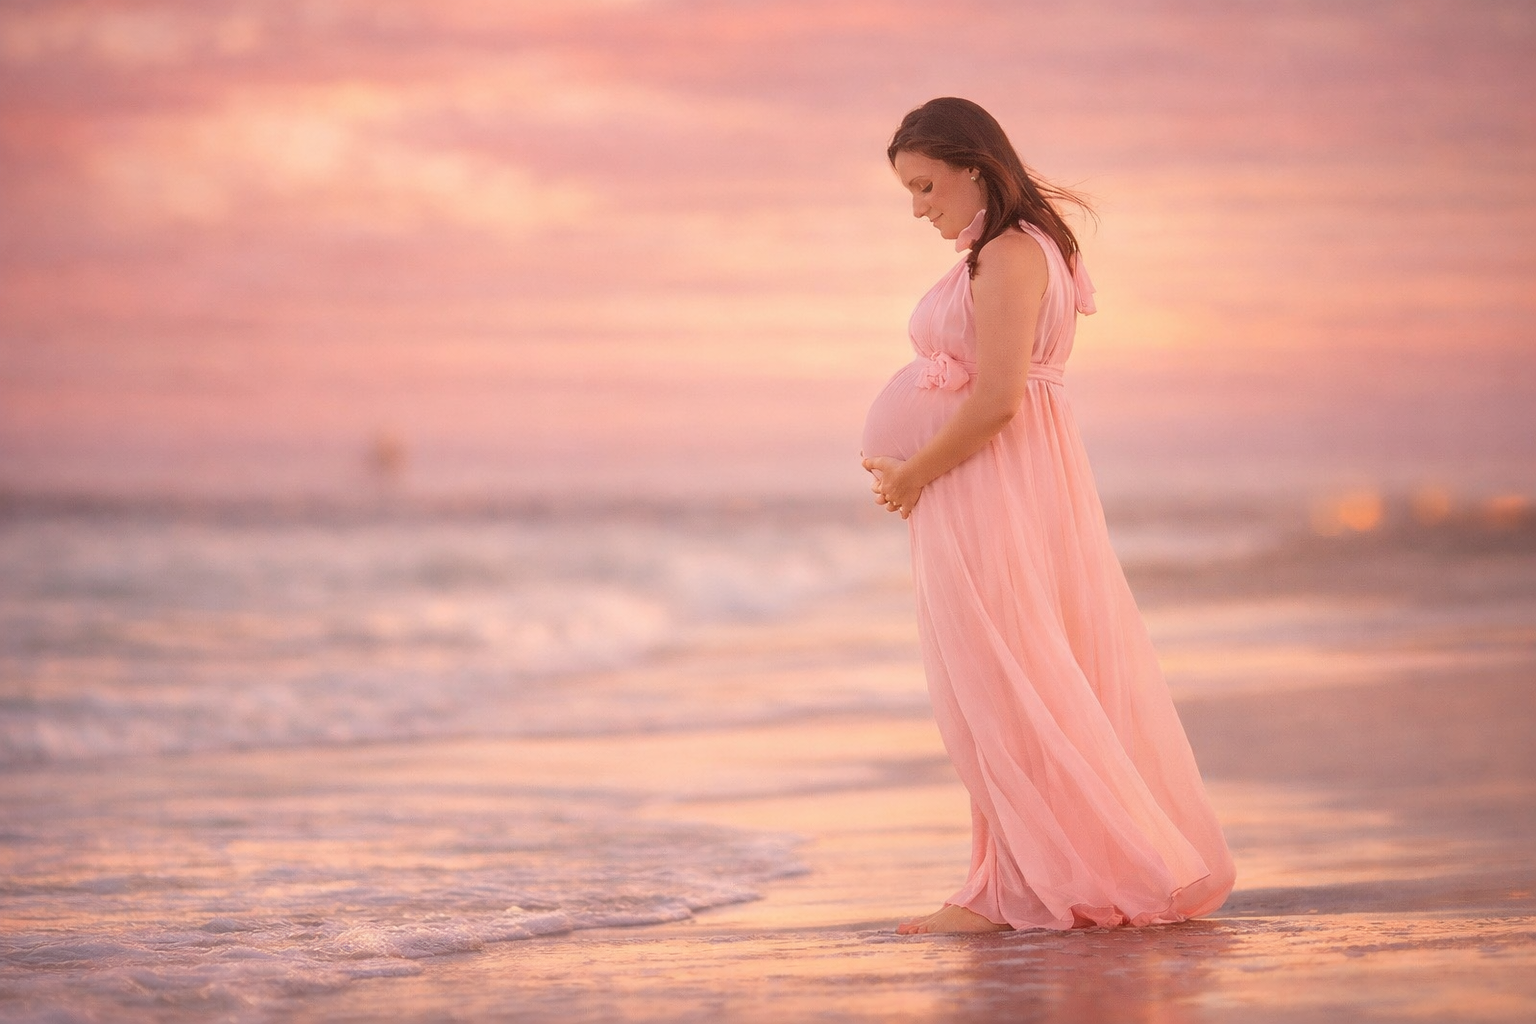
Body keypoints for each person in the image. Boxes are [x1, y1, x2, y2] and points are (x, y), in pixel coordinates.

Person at [860, 97, 1237, 935]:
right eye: (910, 192)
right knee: (1005, 681)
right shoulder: (1013, 250)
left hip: (994, 480)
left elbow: (997, 400)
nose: (920, 209)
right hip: (991, 481)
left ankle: (1027, 891)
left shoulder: (1010, 255)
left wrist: (912, 474)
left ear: (974, 166)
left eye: (926, 186)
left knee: (1006, 682)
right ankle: (1010, 880)